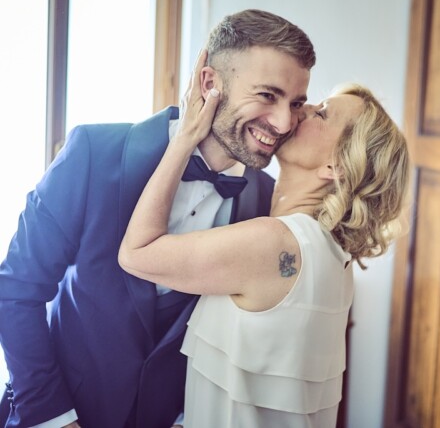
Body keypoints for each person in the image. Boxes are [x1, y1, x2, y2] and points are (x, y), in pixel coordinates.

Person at [0, 9, 315, 428]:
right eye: (267, 96)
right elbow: (15, 290)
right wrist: (53, 417)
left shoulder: (264, 203)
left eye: (296, 104)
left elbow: (240, 341)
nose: (284, 122)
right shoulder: (94, 151)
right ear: (210, 83)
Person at [118, 56, 411, 428]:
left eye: (321, 113)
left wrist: (186, 137)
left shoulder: (275, 244)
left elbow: (136, 252)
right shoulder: (334, 258)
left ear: (336, 166)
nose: (302, 111)